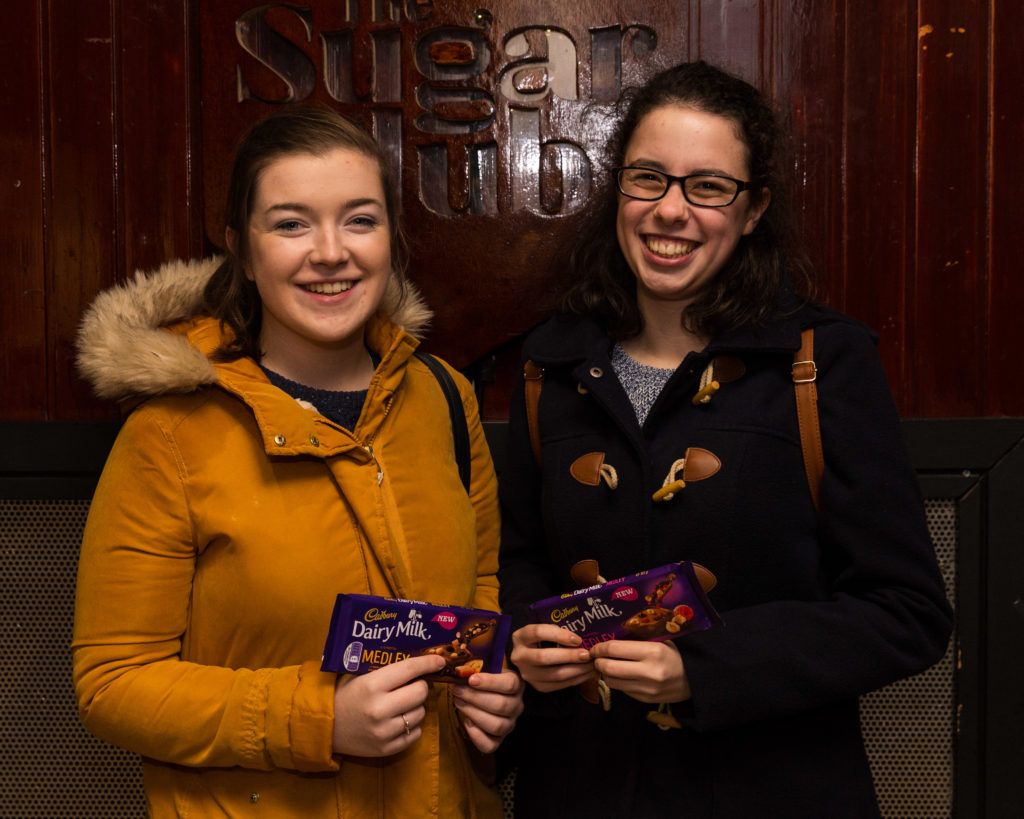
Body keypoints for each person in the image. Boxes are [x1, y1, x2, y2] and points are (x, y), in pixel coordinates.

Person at [498, 61, 953, 818]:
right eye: (649, 178)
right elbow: (517, 559)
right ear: (620, 191)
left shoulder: (819, 363)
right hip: (582, 786)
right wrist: (526, 636)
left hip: (770, 787)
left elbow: (906, 612)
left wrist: (702, 667)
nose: (670, 210)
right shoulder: (552, 362)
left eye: (707, 186)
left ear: (752, 210)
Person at [73, 107, 522, 818]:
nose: (330, 251)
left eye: (360, 219)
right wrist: (316, 718)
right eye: (290, 224)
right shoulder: (169, 434)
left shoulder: (442, 394)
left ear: (391, 242)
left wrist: (491, 685)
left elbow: (481, 588)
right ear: (242, 252)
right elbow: (113, 683)